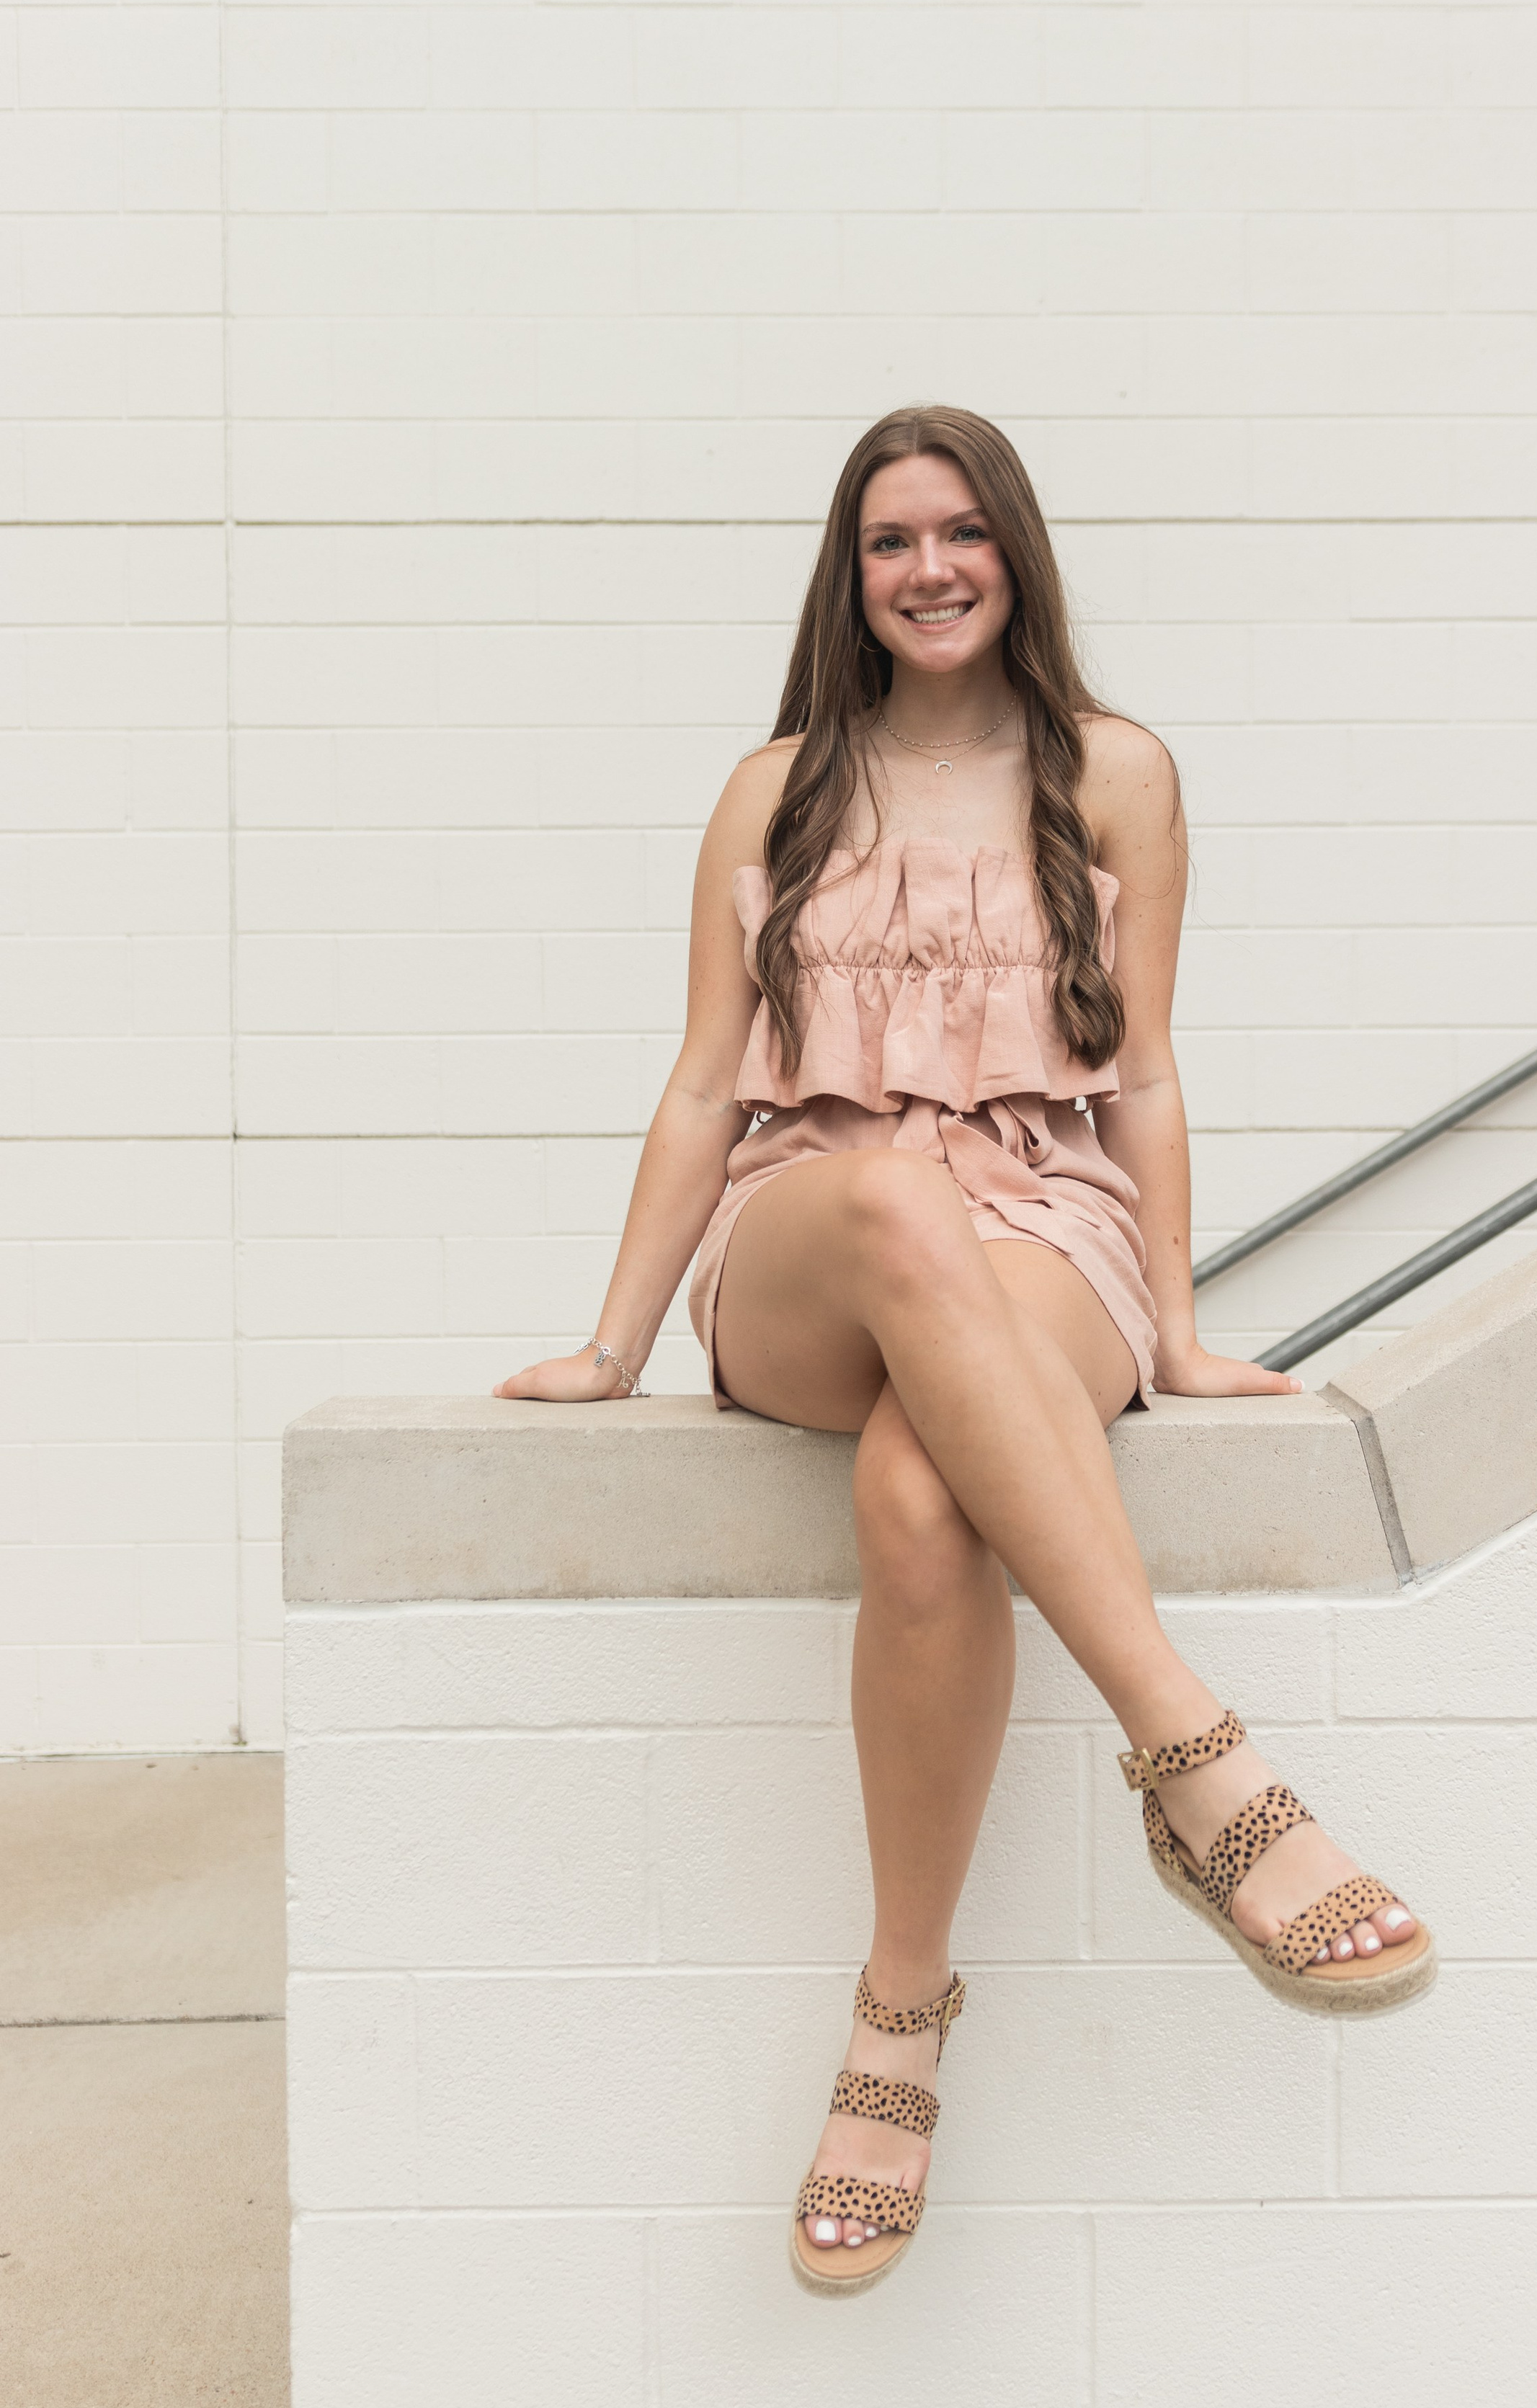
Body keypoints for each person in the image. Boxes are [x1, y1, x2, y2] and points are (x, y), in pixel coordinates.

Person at [495, 406, 1433, 2296]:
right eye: (888, 540)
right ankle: (1196, 1757)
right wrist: (612, 1340)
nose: (928, 568)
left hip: (1048, 1224)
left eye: (961, 531)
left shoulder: (1117, 773)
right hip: (815, 1234)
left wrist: (1175, 1330)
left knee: (925, 1500)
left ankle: (899, 2021)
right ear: (850, 576)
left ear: (1016, 550)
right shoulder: (776, 791)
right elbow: (706, 1082)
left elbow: (1141, 1072)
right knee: (898, 1200)